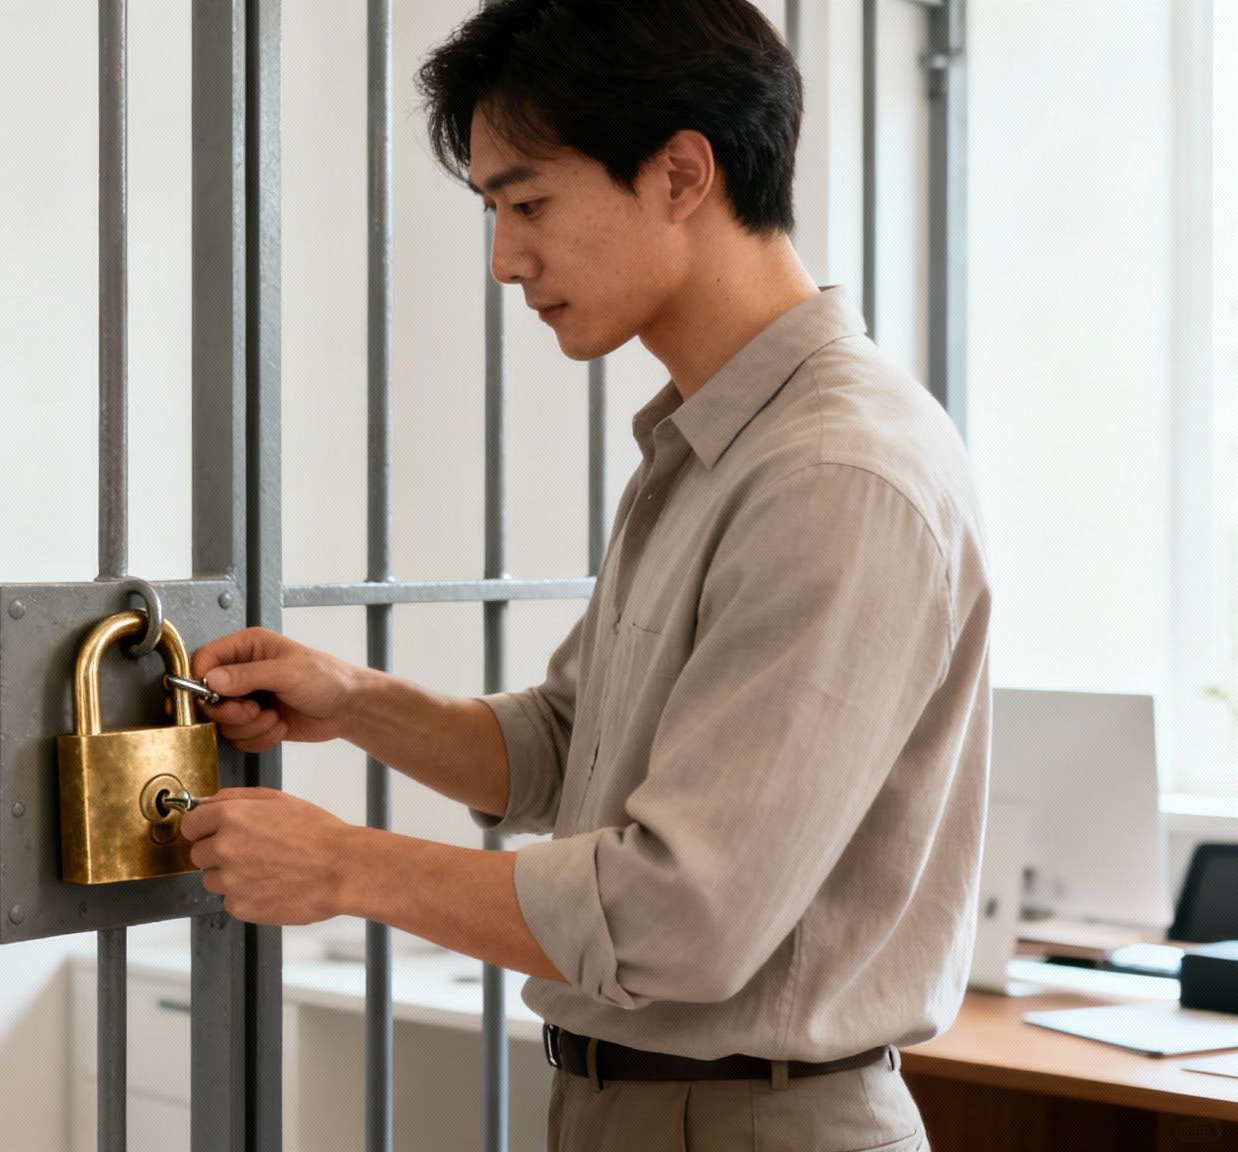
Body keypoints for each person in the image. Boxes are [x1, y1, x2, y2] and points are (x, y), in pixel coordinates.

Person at [176, 1, 990, 1148]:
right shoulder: (712, 445)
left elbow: (682, 916)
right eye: (494, 213)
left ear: (679, 174)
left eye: (526, 204)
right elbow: (567, 750)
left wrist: (342, 867)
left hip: (752, 1123)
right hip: (642, 1106)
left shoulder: (829, 473)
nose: (505, 261)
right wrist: (352, 701)